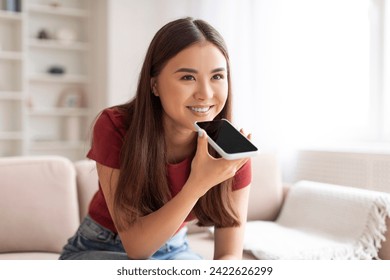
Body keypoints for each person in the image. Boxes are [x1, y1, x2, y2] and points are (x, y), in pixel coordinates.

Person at [59, 17, 252, 260]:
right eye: (188, 77)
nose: (205, 94)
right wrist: (198, 183)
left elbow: (229, 256)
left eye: (217, 77)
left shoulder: (230, 149)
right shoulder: (115, 126)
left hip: (175, 249)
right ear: (154, 85)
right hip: (102, 245)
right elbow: (137, 248)